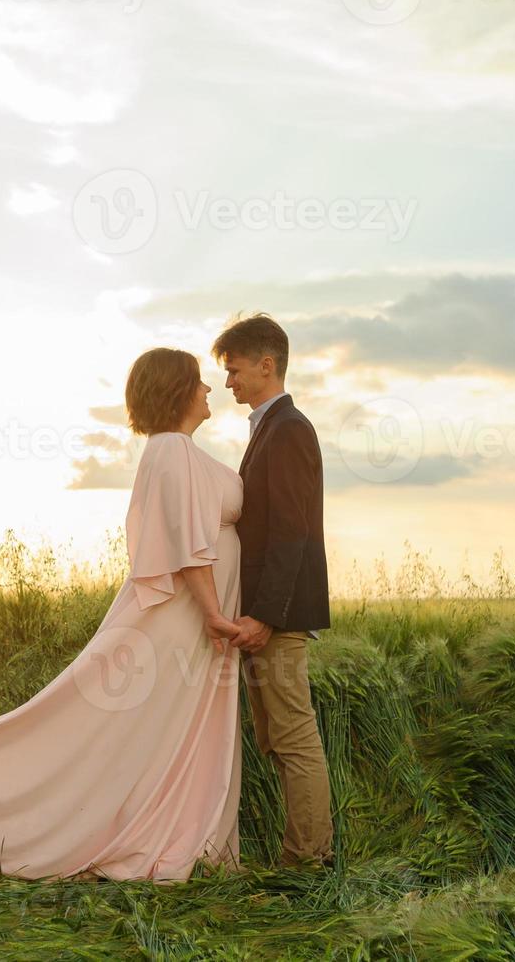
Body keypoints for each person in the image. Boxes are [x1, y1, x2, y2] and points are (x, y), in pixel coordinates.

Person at [0, 348, 245, 883]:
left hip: (194, 621)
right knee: (129, 728)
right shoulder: (171, 449)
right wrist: (215, 614)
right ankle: (106, 829)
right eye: (199, 382)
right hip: (185, 619)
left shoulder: (180, 450)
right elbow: (187, 546)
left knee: (161, 730)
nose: (209, 390)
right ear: (176, 390)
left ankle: (176, 829)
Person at [211, 313, 335, 868]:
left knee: (294, 737)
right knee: (278, 738)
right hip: (268, 615)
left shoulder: (288, 429)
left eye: (234, 370)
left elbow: (292, 531)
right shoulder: (270, 428)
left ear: (267, 364)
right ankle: (302, 852)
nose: (228, 382)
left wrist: (263, 614)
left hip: (277, 618)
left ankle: (308, 860)